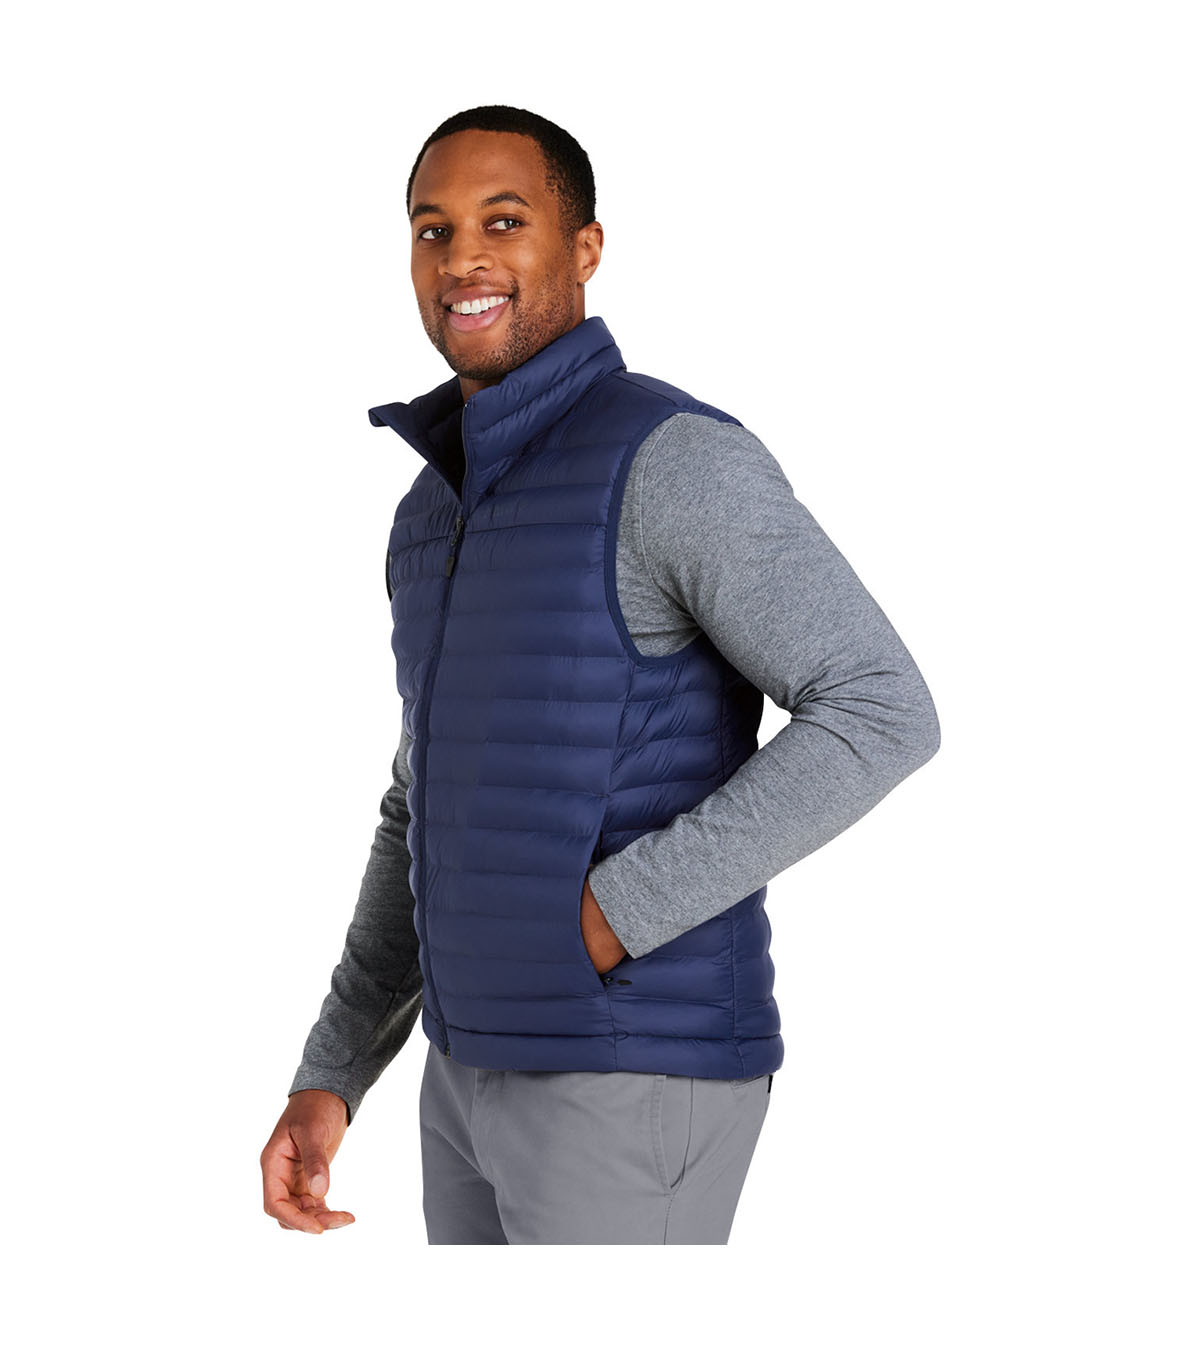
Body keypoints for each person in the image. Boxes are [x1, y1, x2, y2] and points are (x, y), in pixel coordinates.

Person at [259, 104, 941, 1245]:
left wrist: (609, 919)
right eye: (433, 229)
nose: (462, 257)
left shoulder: (672, 458)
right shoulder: (428, 511)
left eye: (503, 221)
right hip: (462, 1070)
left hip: (631, 1069)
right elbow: (418, 805)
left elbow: (880, 709)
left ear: (584, 249)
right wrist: (334, 1070)